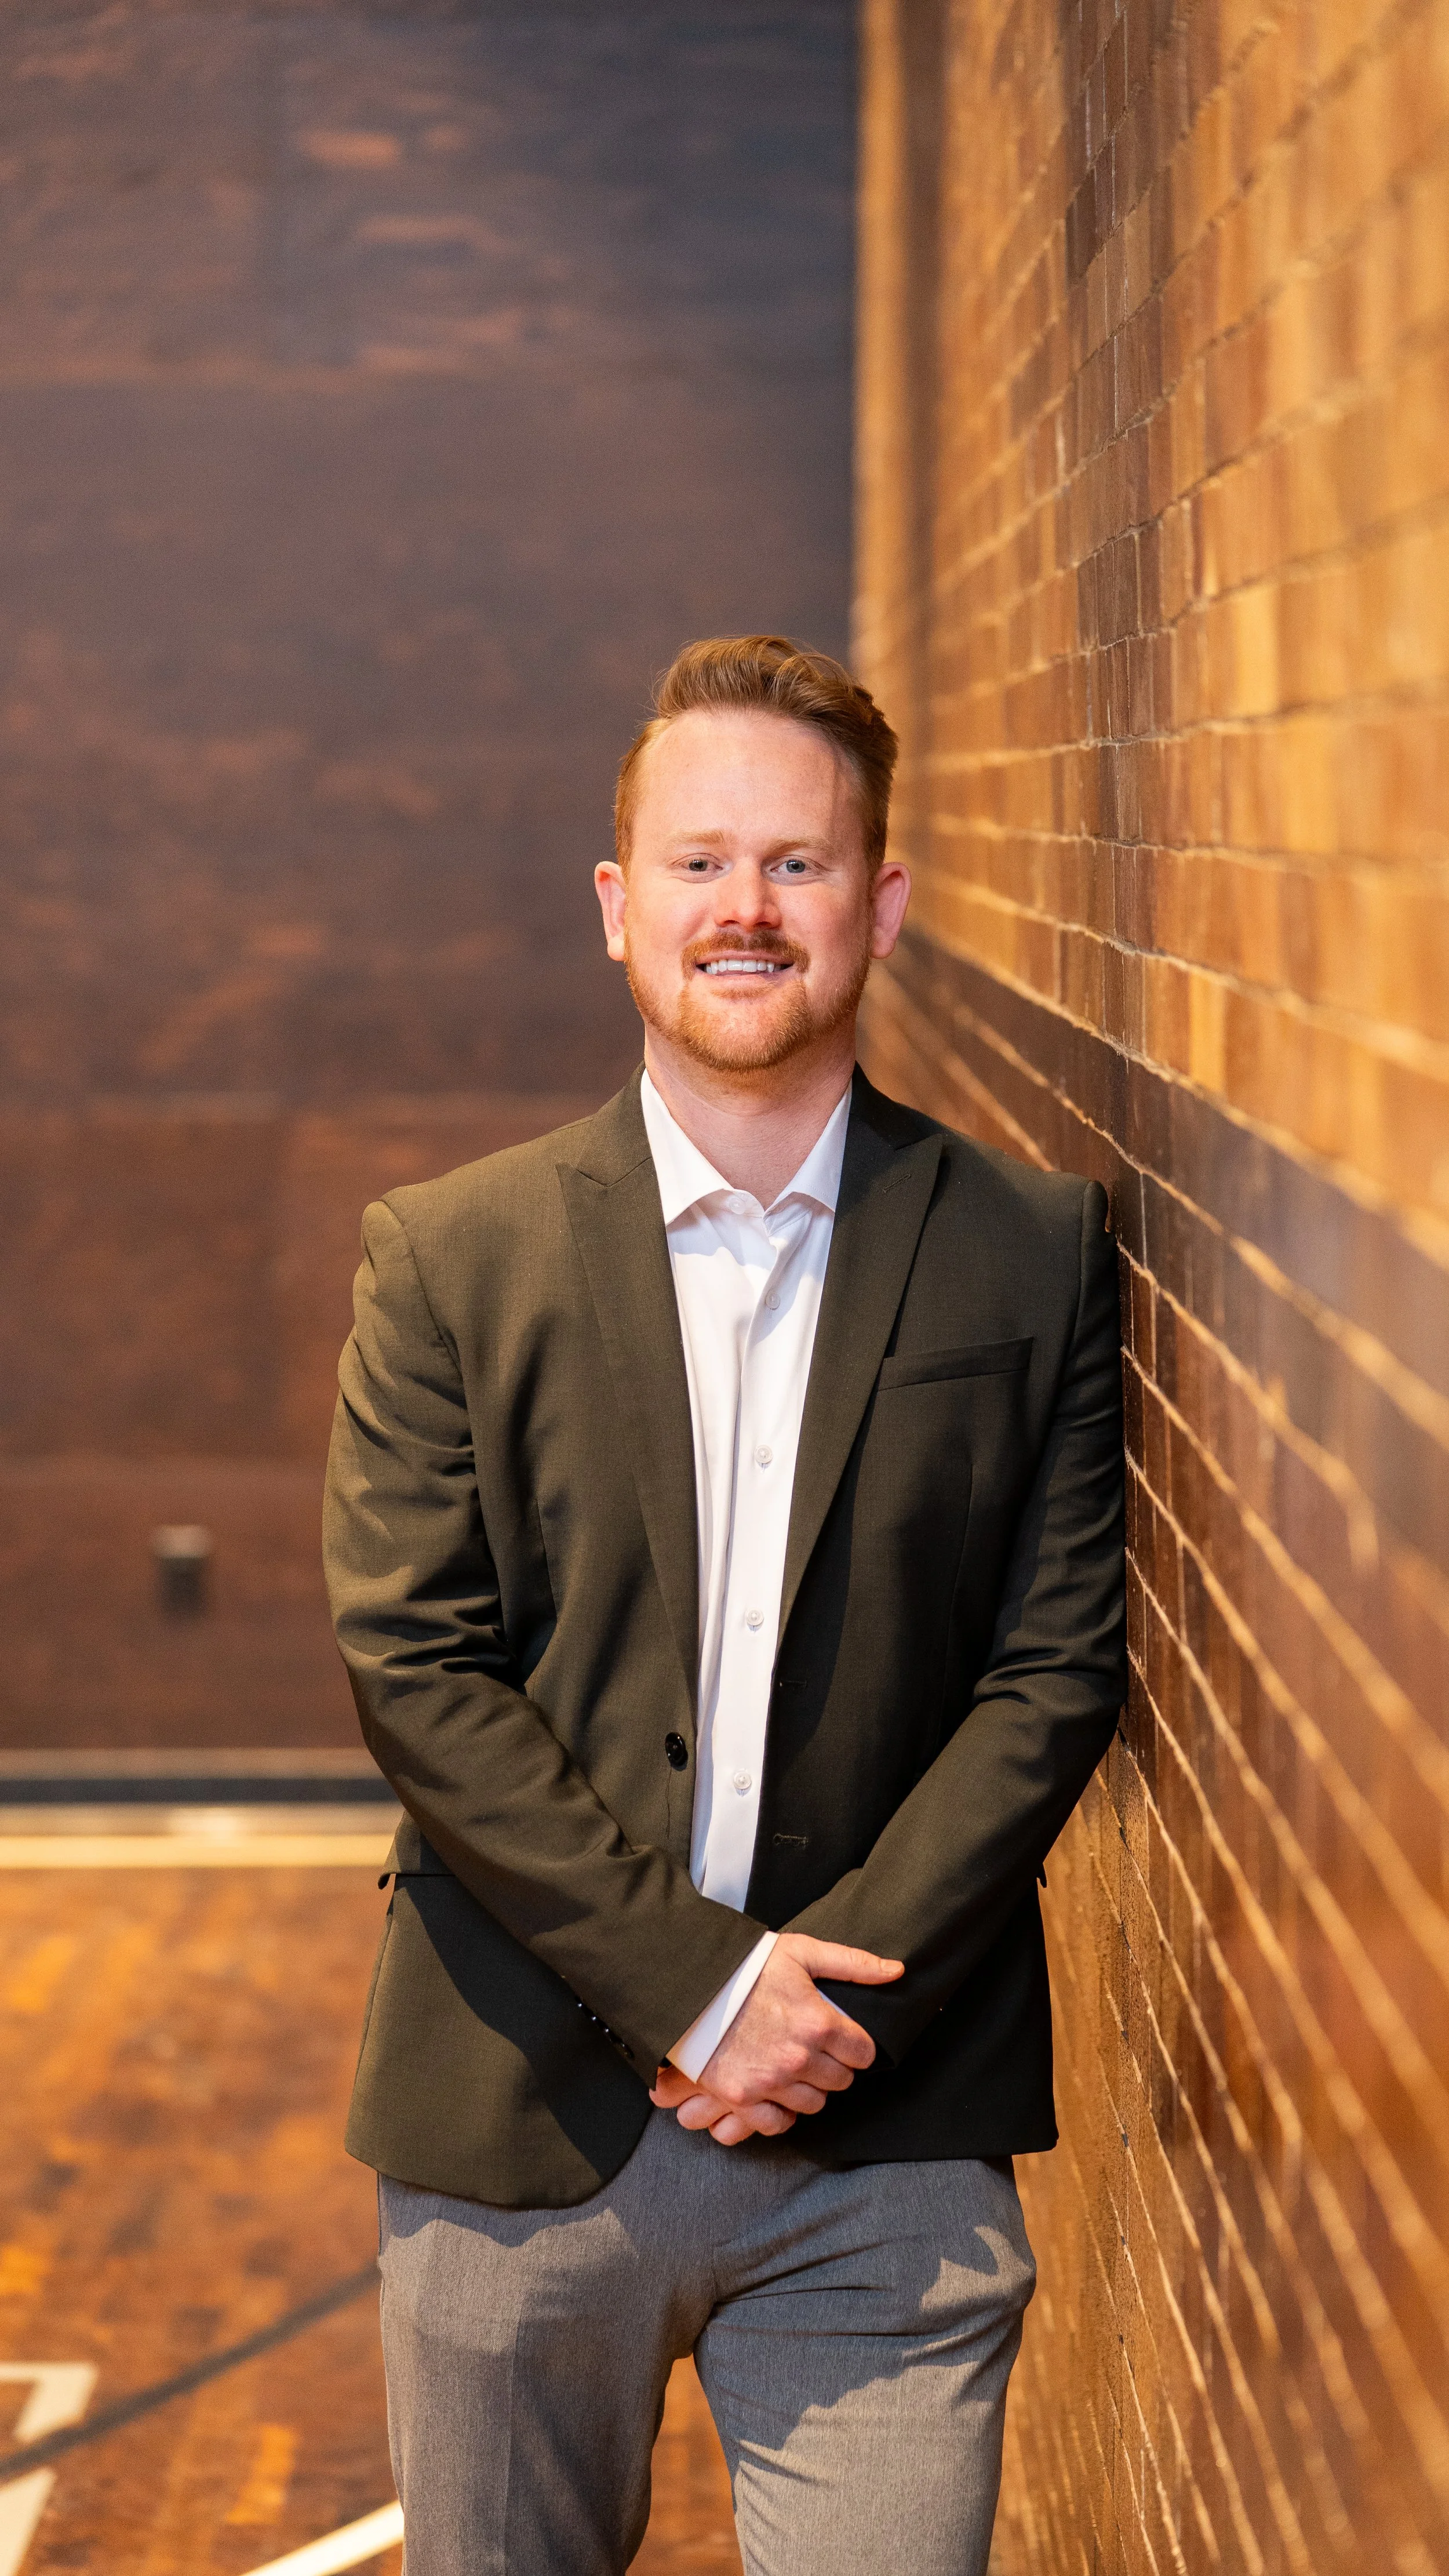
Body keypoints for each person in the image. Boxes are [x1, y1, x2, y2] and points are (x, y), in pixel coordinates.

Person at [323, 634, 1125, 2576]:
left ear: (881, 904)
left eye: (796, 863)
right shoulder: (450, 1260)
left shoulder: (1027, 1251)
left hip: (886, 2122)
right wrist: (694, 1985)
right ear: (620, 909)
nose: (744, 910)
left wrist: (811, 2000)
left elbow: (1050, 1670)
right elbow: (416, 1665)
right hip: (520, 2111)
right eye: (697, 864)